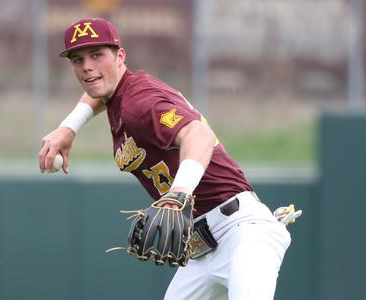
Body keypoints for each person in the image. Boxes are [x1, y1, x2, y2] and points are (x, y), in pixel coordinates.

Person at [38, 17, 298, 300]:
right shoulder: (121, 93)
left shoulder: (140, 103)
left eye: (97, 55)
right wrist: (69, 126)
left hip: (242, 234)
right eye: (77, 59)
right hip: (201, 250)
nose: (87, 66)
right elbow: (98, 89)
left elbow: (199, 135)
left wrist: (179, 193)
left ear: (120, 56)